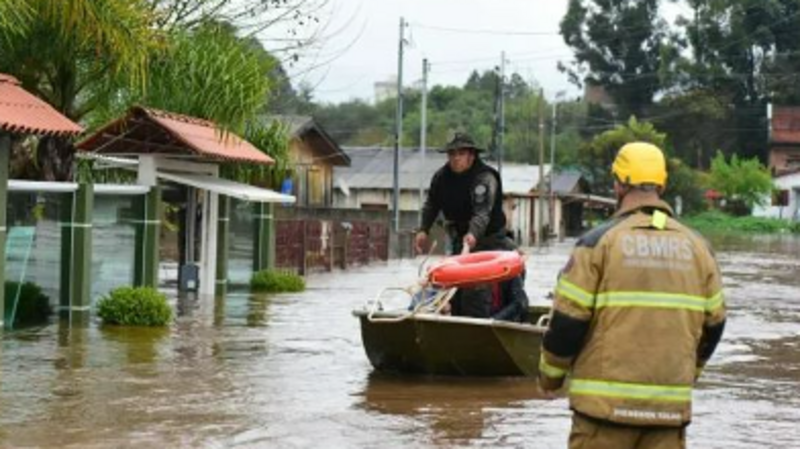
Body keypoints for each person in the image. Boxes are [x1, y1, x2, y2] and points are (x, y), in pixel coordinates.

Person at [537, 142, 726, 449]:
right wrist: (690, 372)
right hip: (667, 416)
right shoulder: (699, 249)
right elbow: (715, 324)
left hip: (603, 415)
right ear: (662, 186)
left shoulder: (597, 244)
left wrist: (550, 378)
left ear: (619, 185)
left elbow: (568, 321)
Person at [414, 132, 514, 256]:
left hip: (492, 240)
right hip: (460, 238)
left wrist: (473, 234)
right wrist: (423, 230)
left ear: (472, 156)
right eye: (452, 154)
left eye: (461, 154)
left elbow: (482, 213)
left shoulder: (485, 178)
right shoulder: (441, 178)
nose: (456, 158)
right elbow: (431, 205)